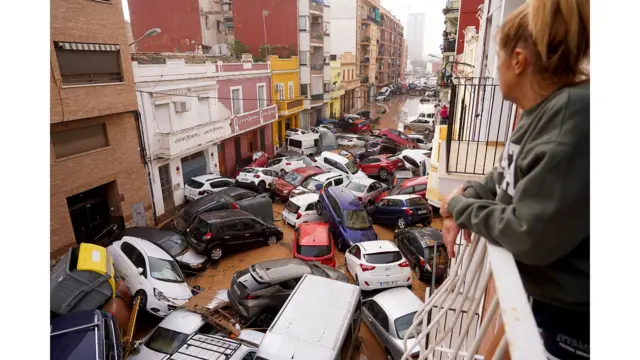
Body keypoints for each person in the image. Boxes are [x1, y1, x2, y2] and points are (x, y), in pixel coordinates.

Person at [439, 0, 590, 359]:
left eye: (497, 57)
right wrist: (471, 194)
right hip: (544, 302)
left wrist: (460, 206)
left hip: (569, 324)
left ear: (519, 61)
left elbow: (529, 233)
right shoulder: (544, 113)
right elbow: (502, 176)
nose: (495, 67)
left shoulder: (572, 116)